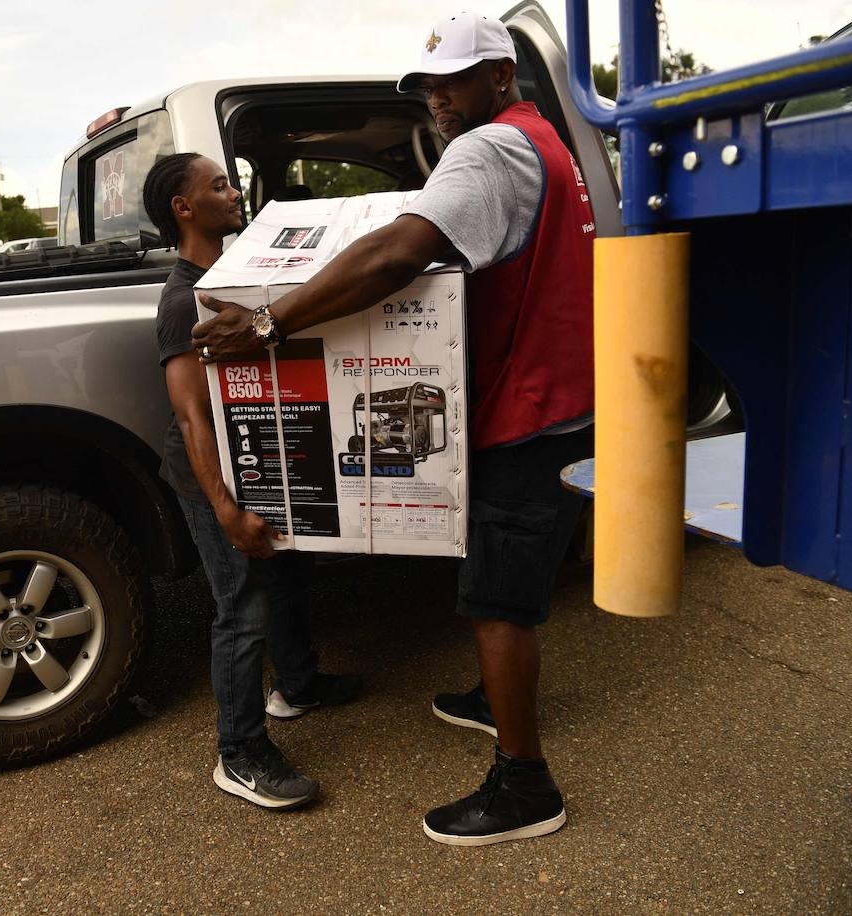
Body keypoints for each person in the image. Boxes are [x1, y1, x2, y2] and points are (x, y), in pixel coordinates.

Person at [192, 12, 595, 845]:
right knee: (509, 583)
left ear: (500, 76)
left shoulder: (487, 150)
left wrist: (271, 324)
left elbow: (395, 255)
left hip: (524, 411)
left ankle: (526, 788)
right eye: (428, 85)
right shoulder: (549, 144)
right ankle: (492, 700)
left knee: (497, 602)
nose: (438, 99)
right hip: (561, 400)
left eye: (455, 81)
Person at [143, 152, 361, 810]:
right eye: (218, 185)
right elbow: (190, 416)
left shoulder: (235, 278)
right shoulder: (186, 298)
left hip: (262, 460)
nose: (234, 191)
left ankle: (297, 685)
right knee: (242, 608)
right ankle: (238, 753)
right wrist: (226, 511)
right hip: (211, 479)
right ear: (185, 209)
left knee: (289, 573)